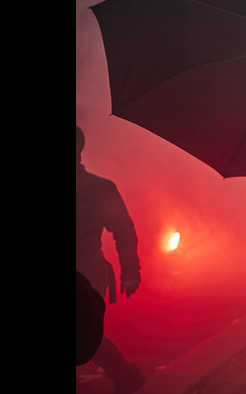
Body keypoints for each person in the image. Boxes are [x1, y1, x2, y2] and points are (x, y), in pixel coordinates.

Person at [76, 125, 146, 393]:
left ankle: (126, 375)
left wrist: (130, 272)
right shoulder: (100, 187)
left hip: (86, 275)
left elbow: (123, 230)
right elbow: (124, 231)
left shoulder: (99, 188)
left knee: (83, 333)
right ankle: (126, 376)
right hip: (90, 272)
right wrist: (129, 272)